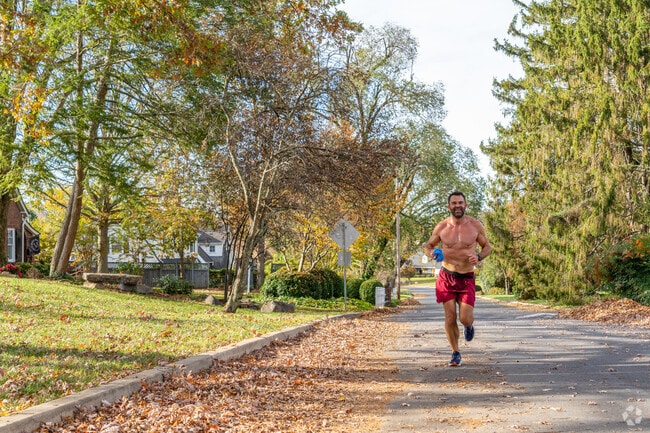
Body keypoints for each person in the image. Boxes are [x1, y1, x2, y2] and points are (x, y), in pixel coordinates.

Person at [424, 191, 491, 366]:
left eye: (460, 202)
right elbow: (428, 245)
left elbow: (487, 247)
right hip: (447, 276)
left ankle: (469, 326)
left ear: (465, 205)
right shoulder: (442, 227)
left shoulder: (475, 226)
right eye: (454, 203)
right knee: (450, 317)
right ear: (449, 207)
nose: (457, 205)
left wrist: (479, 257)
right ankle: (455, 352)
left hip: (467, 277)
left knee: (465, 318)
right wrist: (432, 253)